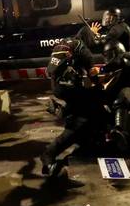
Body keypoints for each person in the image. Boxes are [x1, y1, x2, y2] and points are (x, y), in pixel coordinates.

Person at [40, 37, 106, 176]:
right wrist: (96, 80)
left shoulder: (64, 46)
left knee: (83, 109)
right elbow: (91, 71)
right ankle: (48, 155)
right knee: (80, 121)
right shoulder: (83, 51)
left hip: (59, 87)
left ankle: (67, 113)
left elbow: (50, 72)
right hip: (66, 88)